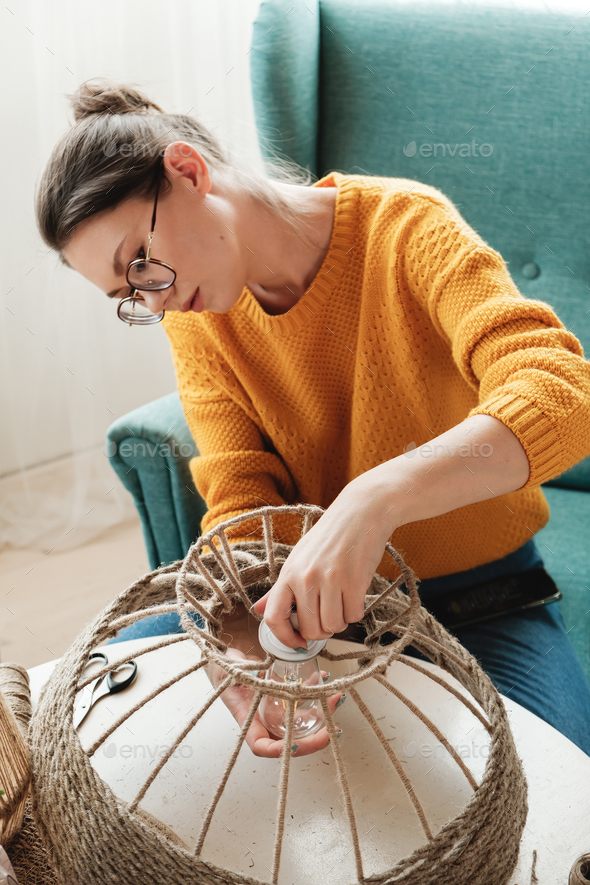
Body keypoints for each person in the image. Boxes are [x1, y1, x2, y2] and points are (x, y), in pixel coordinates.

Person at [35, 79, 590, 759]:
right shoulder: (197, 318)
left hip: (486, 601)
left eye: (141, 263)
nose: (155, 302)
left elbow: (561, 391)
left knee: (551, 791)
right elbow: (240, 493)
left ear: (188, 171)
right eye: (129, 294)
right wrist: (237, 632)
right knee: (80, 719)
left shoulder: (405, 228)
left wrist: (374, 499)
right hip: (307, 614)